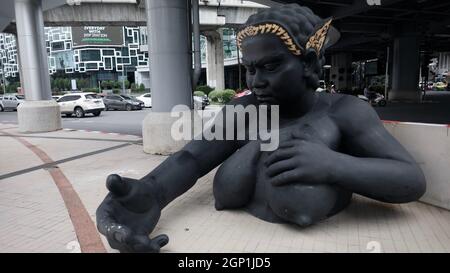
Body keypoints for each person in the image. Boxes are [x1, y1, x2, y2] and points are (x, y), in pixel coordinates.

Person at [96, 4, 426, 253]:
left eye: (270, 66)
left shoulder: (345, 112)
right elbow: (191, 160)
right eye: (250, 69)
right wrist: (152, 192)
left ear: (309, 64)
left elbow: (410, 180)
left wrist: (333, 164)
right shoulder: (245, 111)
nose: (256, 82)